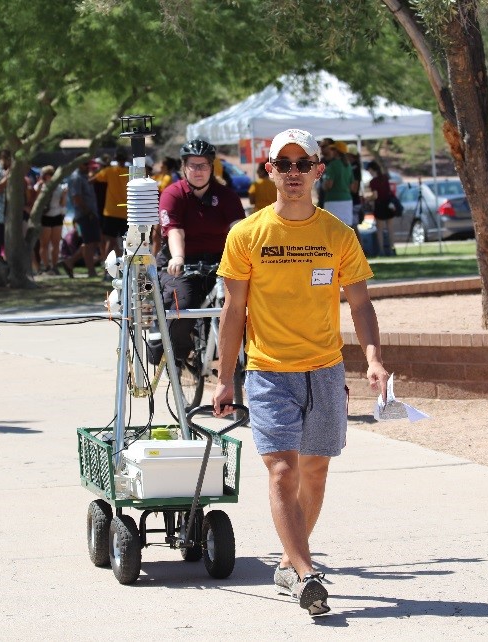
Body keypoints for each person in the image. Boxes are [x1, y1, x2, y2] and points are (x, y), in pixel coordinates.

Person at [212, 129, 389, 616]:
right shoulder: (246, 234)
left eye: (301, 162)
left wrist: (372, 358)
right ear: (269, 171)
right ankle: (307, 573)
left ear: (317, 170)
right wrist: (226, 377)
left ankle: (292, 562)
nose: (292, 172)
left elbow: (360, 305)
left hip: (326, 372)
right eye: (282, 163)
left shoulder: (337, 234)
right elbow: (233, 311)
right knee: (283, 471)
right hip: (269, 372)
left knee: (315, 469)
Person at [152, 139, 244, 365]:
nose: (198, 170)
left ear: (212, 167)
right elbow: (174, 231)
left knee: (244, 302)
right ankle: (181, 353)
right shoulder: (172, 194)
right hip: (182, 261)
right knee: (182, 306)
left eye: (203, 165)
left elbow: (239, 228)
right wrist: (178, 257)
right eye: (192, 165)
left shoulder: (226, 195)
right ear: (184, 167)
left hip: (219, 261)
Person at [61, 162, 99, 278]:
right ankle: (91, 271)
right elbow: (76, 198)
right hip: (84, 215)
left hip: (91, 214)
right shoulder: (76, 178)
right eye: (85, 164)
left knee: (93, 242)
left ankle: (70, 261)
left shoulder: (85, 176)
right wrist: (88, 212)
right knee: (88, 243)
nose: (87, 167)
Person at [91, 149, 130, 260]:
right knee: (128, 242)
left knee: (110, 241)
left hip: (111, 211)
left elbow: (92, 180)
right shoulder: (129, 172)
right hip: (125, 212)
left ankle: (107, 270)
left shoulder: (109, 171)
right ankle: (128, 267)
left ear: (115, 159)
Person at [35, 166, 66, 275]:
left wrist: (64, 195)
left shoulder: (59, 188)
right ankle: (46, 266)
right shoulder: (40, 187)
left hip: (56, 216)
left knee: (56, 243)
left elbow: (62, 204)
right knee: (44, 243)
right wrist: (39, 188)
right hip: (45, 217)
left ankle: (54, 265)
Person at [321, 140, 355, 227]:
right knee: (346, 229)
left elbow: (329, 185)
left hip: (333, 201)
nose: (331, 151)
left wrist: (323, 186)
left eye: (333, 149)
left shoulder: (333, 165)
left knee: (332, 229)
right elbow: (352, 186)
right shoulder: (348, 166)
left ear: (336, 151)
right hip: (347, 200)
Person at [366, 161, 397, 256]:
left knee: (380, 230)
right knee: (390, 229)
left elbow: (375, 195)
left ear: (372, 170)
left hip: (379, 205)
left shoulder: (373, 182)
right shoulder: (385, 178)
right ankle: (392, 249)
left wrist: (367, 198)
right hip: (389, 204)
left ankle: (382, 250)